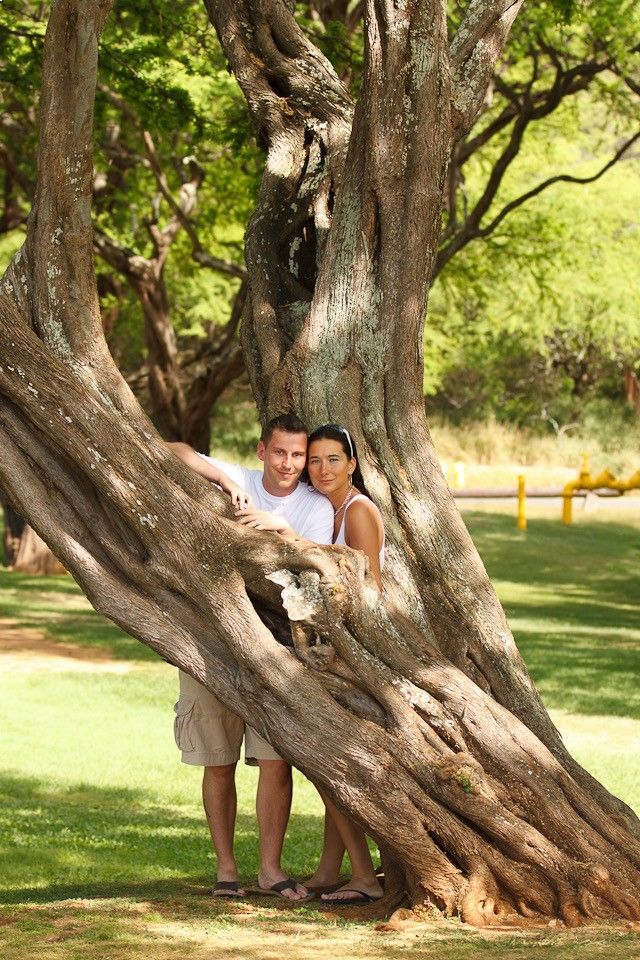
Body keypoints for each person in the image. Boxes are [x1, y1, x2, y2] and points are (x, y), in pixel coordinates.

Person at [168, 414, 334, 901]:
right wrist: (221, 478)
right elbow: (172, 449)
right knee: (216, 762)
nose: (288, 463)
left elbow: (319, 563)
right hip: (214, 644)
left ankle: (270, 868)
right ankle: (225, 870)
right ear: (262, 451)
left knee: (274, 762)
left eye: (298, 456)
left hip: (278, 651)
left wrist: (280, 527)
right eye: (279, 453)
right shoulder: (239, 479)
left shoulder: (313, 506)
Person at [304, 423, 385, 905]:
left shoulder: (358, 512)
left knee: (331, 766)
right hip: (335, 650)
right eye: (315, 460)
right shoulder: (325, 511)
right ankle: (330, 867)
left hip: (357, 655)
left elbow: (366, 589)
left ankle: (364, 876)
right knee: (328, 761)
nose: (322, 469)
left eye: (333, 459)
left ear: (352, 464)